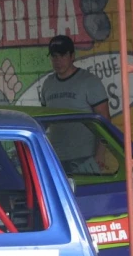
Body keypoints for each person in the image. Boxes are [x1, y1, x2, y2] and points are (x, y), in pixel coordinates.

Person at [41, 35, 110, 174]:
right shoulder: (48, 84)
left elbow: (105, 120)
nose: (58, 60)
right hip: (55, 158)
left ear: (72, 56)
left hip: (85, 158)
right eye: (54, 56)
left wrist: (100, 154)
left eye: (62, 55)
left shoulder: (89, 82)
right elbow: (44, 122)